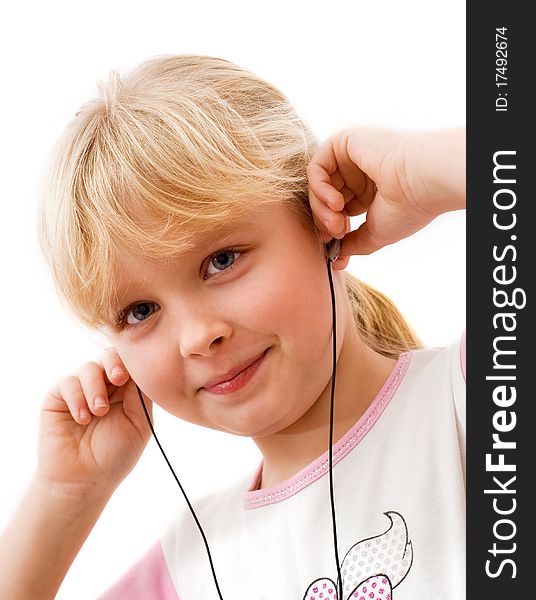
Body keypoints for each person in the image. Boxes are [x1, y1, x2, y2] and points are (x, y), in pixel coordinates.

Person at [0, 55, 465, 599]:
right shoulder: (192, 564)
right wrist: (66, 495)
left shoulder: (467, 398)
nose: (198, 335)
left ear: (321, 221)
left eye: (222, 260)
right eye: (140, 312)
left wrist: (422, 172)